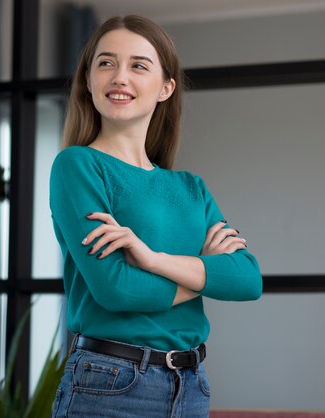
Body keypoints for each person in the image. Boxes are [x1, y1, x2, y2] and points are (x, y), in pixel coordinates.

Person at [49, 15, 262, 417]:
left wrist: (152, 260)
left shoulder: (190, 187)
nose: (119, 77)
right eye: (106, 63)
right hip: (109, 383)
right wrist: (207, 274)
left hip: (191, 384)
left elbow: (248, 279)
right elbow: (117, 291)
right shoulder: (77, 166)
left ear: (166, 88)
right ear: (89, 79)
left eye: (138, 65)